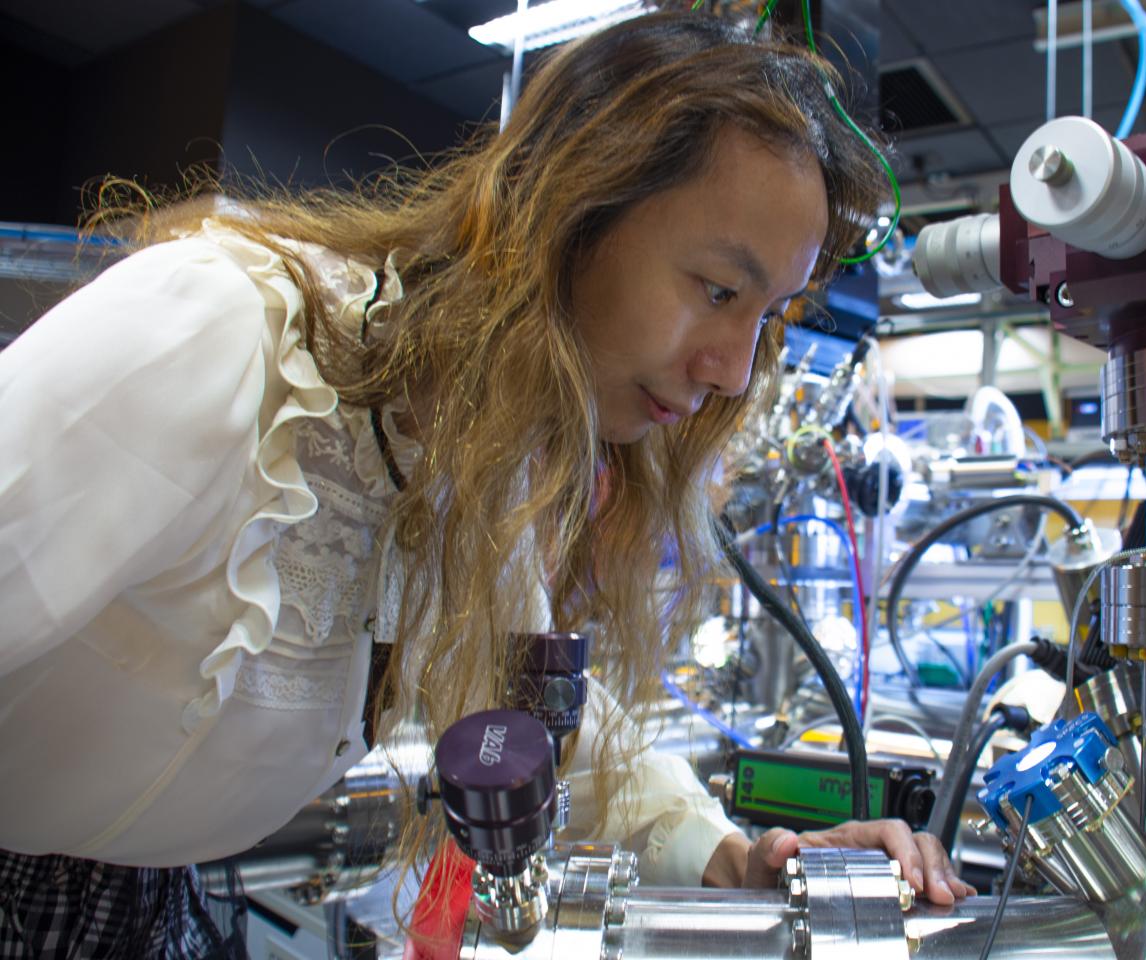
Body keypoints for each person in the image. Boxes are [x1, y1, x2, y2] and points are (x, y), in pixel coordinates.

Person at [0, 11, 972, 955]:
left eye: (766, 316)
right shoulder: (218, 335)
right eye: (718, 289)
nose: (731, 367)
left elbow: (533, 726)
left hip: (133, 900)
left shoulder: (480, 459)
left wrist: (740, 857)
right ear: (569, 215)